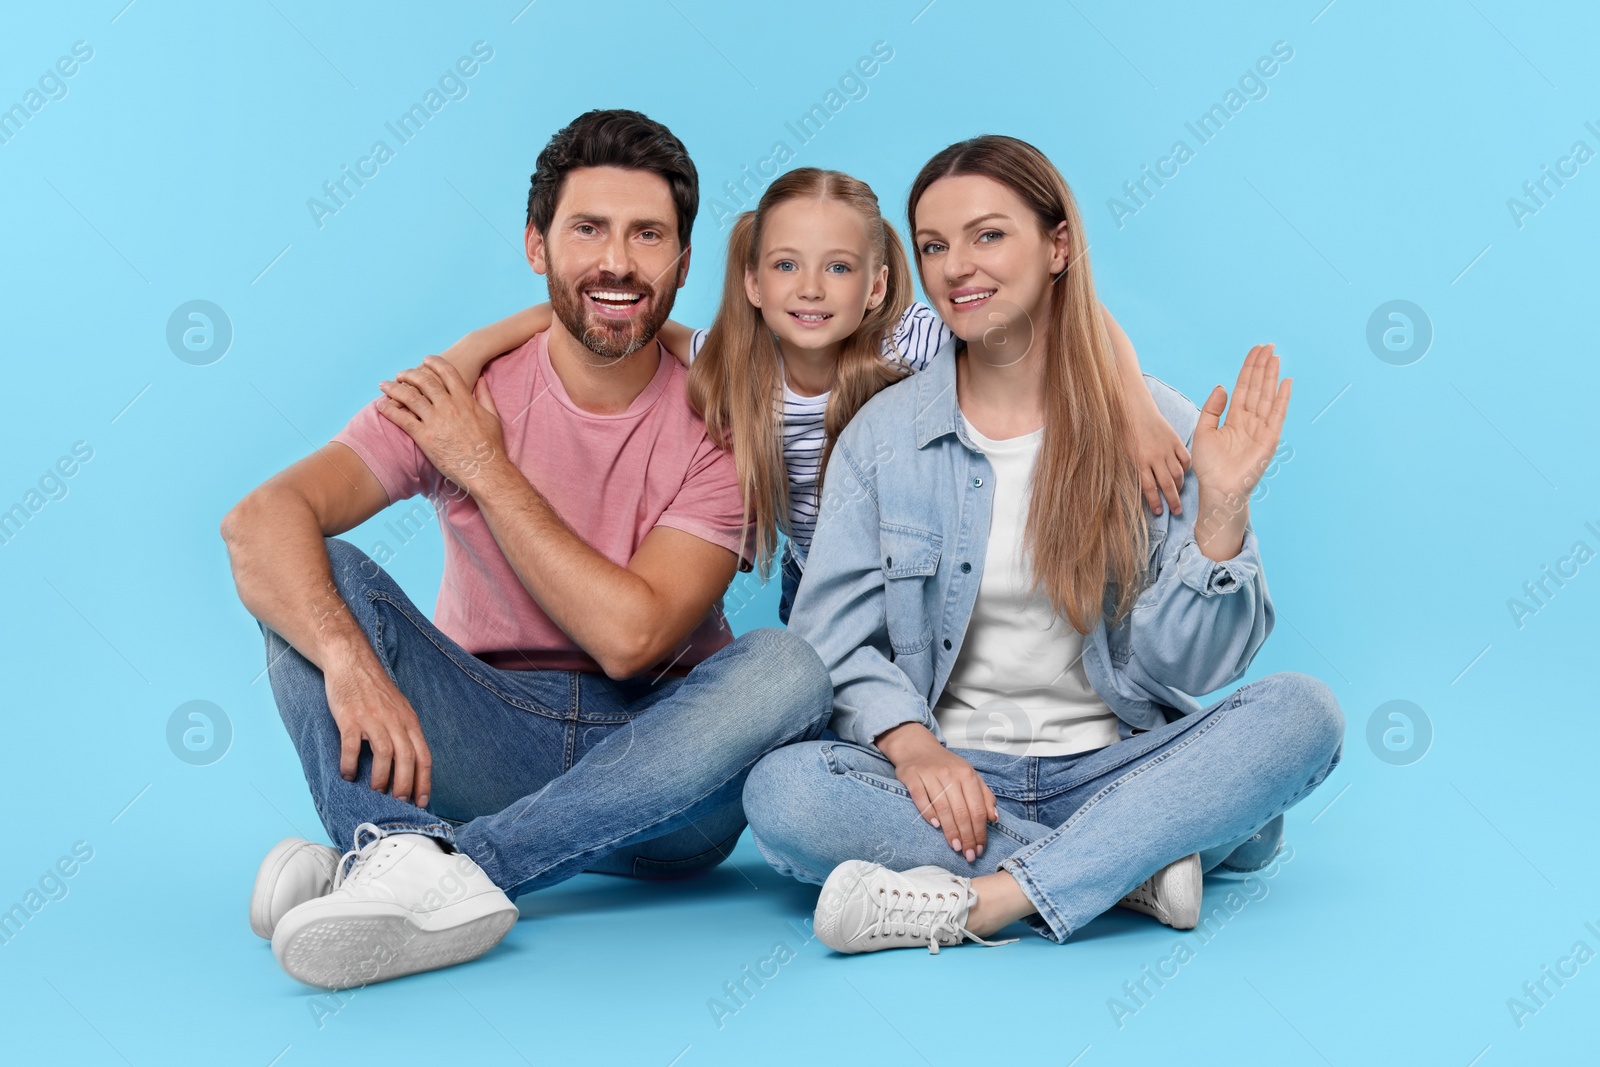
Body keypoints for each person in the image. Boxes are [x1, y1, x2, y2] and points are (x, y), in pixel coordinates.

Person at [221, 109, 833, 989]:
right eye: (588, 229)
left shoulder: (728, 414)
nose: (618, 261)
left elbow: (634, 637)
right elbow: (258, 521)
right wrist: (346, 658)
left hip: (667, 772)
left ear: (684, 265)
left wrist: (483, 466)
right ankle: (395, 856)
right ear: (537, 247)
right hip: (485, 734)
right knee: (320, 581)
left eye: (647, 235)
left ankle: (423, 865)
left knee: (788, 668)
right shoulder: (461, 389)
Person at [739, 135, 1345, 954]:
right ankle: (1135, 869)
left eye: (988, 235)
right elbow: (829, 639)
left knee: (1304, 711)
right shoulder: (883, 438)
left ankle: (992, 898)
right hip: (949, 787)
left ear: (1058, 245)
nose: (957, 266)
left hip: (1122, 767)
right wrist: (911, 744)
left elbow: (1192, 672)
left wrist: (1222, 515)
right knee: (784, 791)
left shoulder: (1157, 428)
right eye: (933, 246)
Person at [434, 170, 1189, 623]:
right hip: (819, 579)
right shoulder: (732, 365)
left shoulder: (914, 346)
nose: (810, 288)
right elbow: (618, 310)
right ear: (755, 283)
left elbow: (1070, 321)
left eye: (836, 269)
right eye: (788, 265)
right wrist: (468, 353)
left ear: (877, 286)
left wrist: (1138, 408)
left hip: (923, 569)